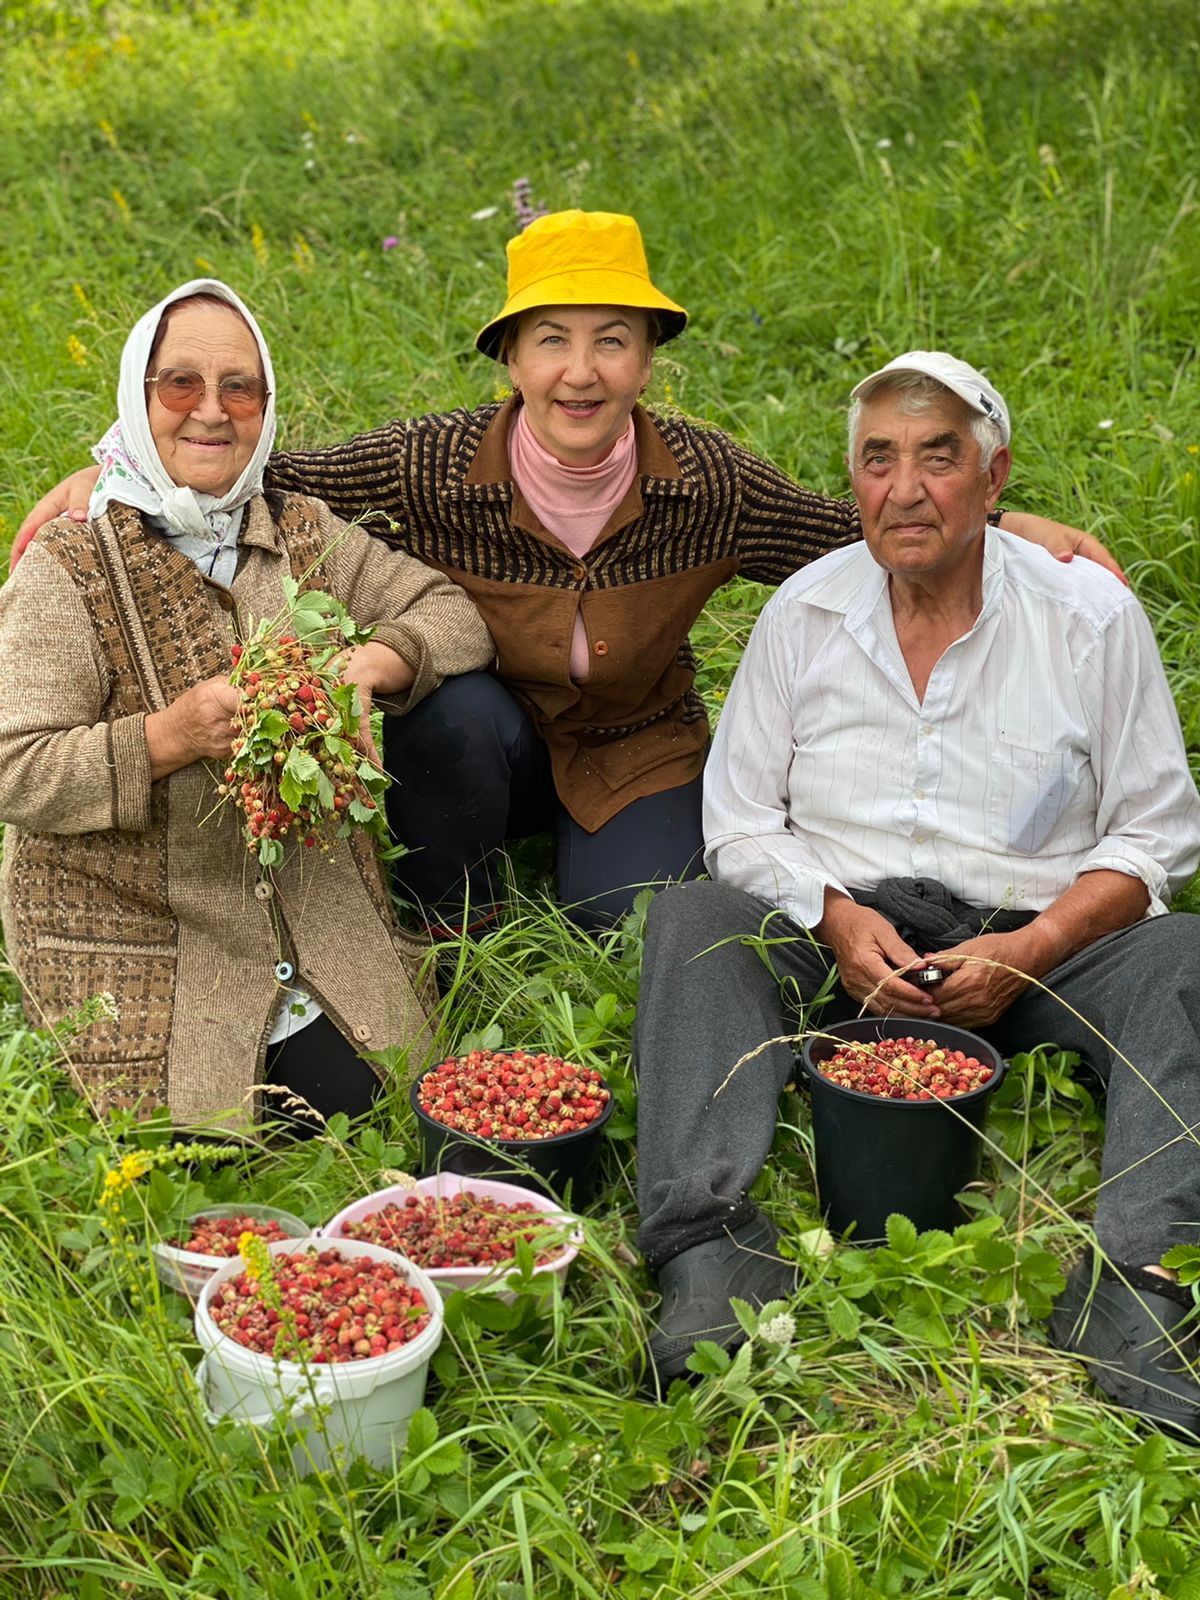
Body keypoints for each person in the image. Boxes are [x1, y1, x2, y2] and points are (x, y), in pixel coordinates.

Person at [13, 213, 1120, 936]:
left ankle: (578, 858)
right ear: (510, 358)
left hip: (631, 749)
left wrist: (1003, 517)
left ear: (647, 359)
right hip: (482, 734)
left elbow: (853, 531)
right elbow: (254, 465)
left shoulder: (709, 482)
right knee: (452, 717)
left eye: (612, 340)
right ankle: (449, 920)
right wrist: (107, 474)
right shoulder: (431, 462)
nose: (580, 372)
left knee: (629, 919)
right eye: (550, 339)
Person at [633, 350, 1200, 1437]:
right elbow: (741, 819)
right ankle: (710, 1255)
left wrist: (1033, 947)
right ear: (853, 483)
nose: (905, 489)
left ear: (994, 480)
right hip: (847, 928)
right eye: (878, 460)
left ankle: (1140, 1294)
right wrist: (834, 915)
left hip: (1038, 934)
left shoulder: (1087, 618)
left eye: (939, 458)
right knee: (696, 921)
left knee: (1186, 960)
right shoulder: (805, 612)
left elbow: (1157, 830)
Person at [0, 279, 493, 1130]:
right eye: (179, 384)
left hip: (313, 893)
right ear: (136, 395)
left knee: (391, 1100)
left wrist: (368, 664)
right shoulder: (69, 566)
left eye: (240, 387)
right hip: (144, 918)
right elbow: (14, 766)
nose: (212, 412)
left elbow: (453, 617)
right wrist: (168, 735)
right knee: (208, 1132)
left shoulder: (297, 528)